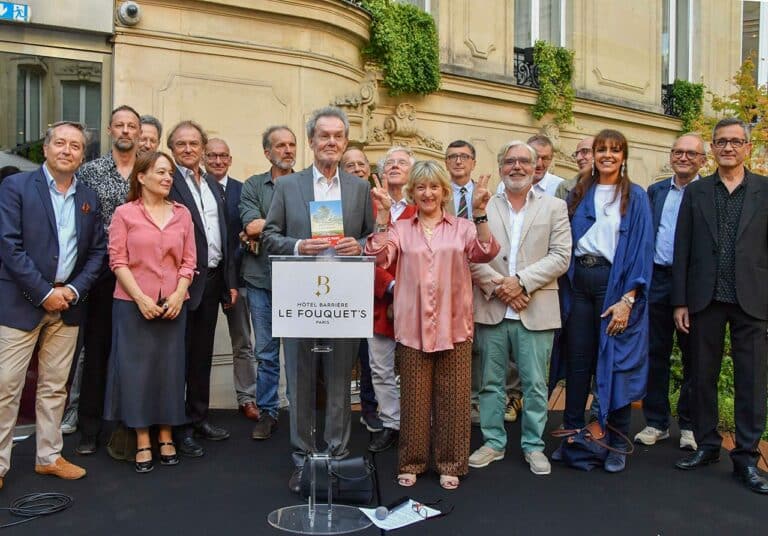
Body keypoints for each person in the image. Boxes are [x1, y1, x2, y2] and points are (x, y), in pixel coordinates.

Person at [366, 160, 499, 490]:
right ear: (413, 191)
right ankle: (412, 462)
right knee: (414, 399)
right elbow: (377, 257)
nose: (428, 193)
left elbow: (485, 252)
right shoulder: (401, 228)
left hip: (455, 326)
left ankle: (451, 463)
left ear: (444, 191)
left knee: (454, 400)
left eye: (434, 187)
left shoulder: (462, 227)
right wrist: (382, 217)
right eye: (421, 187)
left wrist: (480, 213)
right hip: (412, 326)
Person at [262, 106, 374, 493]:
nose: (331, 142)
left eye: (338, 136)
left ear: (345, 142)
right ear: (311, 141)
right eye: (324, 136)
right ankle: (303, 459)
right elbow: (269, 236)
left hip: (343, 299)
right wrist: (298, 246)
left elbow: (371, 237)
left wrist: (359, 246)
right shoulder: (288, 187)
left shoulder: (359, 188)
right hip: (300, 298)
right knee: (301, 381)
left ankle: (337, 458)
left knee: (341, 380)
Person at [0, 121, 106, 488]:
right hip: (21, 303)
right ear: (46, 149)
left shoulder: (88, 196)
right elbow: (9, 246)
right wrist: (45, 293)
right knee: (6, 387)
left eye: (75, 146)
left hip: (68, 306)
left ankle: (48, 456)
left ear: (82, 156)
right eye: (60, 143)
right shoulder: (16, 187)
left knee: (55, 387)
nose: (67, 150)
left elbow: (98, 252)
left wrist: (73, 290)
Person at [673, 118, 768, 494]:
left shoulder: (765, 190)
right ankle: (708, 445)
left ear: (748, 147)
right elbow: (682, 248)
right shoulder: (696, 193)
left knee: (751, 381)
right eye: (721, 141)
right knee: (701, 377)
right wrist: (680, 301)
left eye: (735, 141)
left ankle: (746, 458)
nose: (728, 147)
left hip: (753, 300)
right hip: (704, 298)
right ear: (711, 149)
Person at [469, 141, 571, 475]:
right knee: (490, 383)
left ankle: (533, 446)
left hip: (536, 308)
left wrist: (521, 283)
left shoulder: (554, 206)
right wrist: (503, 288)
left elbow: (561, 256)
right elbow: (471, 253)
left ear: (536, 165)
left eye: (524, 161)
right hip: (493, 307)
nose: (517, 166)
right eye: (510, 161)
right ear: (500, 167)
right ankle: (493, 442)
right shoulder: (483, 205)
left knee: (536, 386)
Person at [563, 129, 653, 473]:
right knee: (578, 362)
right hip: (578, 284)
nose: (607, 155)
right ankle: (573, 436)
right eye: (601, 149)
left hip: (614, 287)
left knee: (615, 365)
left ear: (623, 156)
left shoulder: (636, 196)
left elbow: (642, 250)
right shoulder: (579, 192)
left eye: (615, 150)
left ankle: (615, 443)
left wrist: (628, 300)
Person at [104, 151, 195, 473]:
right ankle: (142, 438)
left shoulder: (182, 214)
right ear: (141, 177)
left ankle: (166, 435)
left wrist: (179, 294)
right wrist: (141, 298)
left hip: (173, 305)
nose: (168, 178)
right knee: (136, 373)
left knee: (170, 371)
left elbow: (189, 261)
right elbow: (117, 260)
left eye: (170, 173)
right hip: (132, 305)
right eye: (161, 172)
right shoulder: (124, 213)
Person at [167, 120, 237, 456]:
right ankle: (177, 427)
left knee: (201, 357)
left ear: (203, 148)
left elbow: (223, 233)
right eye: (181, 144)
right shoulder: (168, 182)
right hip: (180, 285)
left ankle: (198, 417)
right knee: (177, 359)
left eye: (194, 143)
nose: (188, 149)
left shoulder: (210, 182)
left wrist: (229, 282)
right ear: (171, 148)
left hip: (211, 281)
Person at [75, 104, 141, 456]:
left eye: (132, 125)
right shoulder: (90, 171)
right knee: (97, 348)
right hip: (100, 271)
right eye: (120, 125)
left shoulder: (149, 169)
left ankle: (129, 427)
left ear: (139, 132)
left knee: (132, 352)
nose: (125, 130)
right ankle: (89, 428)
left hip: (140, 273)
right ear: (110, 130)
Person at [634, 134, 705, 451]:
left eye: (691, 153)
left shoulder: (707, 192)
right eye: (678, 152)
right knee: (655, 353)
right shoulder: (657, 191)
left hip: (694, 283)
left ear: (703, 160)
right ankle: (656, 422)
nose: (684, 157)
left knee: (694, 356)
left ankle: (688, 426)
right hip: (658, 279)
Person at [240, 125, 297, 441]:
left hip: (299, 282)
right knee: (266, 353)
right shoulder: (252, 185)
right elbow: (251, 225)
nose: (288, 150)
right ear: (267, 152)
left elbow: (316, 230)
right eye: (280, 145)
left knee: (299, 353)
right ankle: (268, 412)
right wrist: (290, 226)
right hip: (261, 279)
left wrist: (270, 227)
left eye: (292, 144)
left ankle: (299, 412)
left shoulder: (306, 185)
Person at [365, 146, 418, 453]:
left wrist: (407, 290)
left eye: (402, 163)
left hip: (416, 302)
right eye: (389, 163)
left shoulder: (422, 206)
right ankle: (391, 423)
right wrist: (390, 286)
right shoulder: (367, 206)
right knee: (380, 368)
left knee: (415, 369)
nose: (395, 166)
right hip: (377, 299)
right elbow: (362, 251)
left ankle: (416, 425)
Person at [204, 138, 259, 423]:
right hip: (204, 279)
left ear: (230, 159)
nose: (218, 161)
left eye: (223, 156)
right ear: (204, 158)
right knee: (198, 343)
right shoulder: (195, 189)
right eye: (212, 156)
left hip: (238, 279)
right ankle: (195, 402)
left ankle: (247, 397)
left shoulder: (242, 190)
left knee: (243, 342)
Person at [340, 147, 382, 434]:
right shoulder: (333, 199)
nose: (357, 169)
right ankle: (337, 412)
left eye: (361, 164)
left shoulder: (381, 200)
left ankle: (369, 408)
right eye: (350, 165)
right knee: (339, 356)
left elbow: (381, 238)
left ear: (368, 168)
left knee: (369, 356)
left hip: (373, 289)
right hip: (338, 286)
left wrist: (361, 244)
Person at [497, 134, 564, 197]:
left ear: (551, 159)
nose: (539, 164)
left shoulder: (560, 187)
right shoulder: (505, 185)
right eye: (535, 157)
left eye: (545, 158)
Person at [555, 136, 594, 201]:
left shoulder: (609, 186)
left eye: (585, 151)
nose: (578, 158)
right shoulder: (564, 188)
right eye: (576, 154)